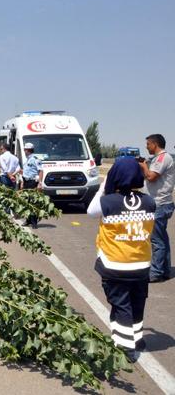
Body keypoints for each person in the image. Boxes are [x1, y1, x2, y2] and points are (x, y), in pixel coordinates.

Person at [87, 159, 155, 361]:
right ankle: (137, 338)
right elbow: (146, 197)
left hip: (115, 264)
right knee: (137, 302)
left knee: (121, 305)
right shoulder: (149, 202)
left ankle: (126, 347)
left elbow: (90, 212)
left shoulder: (108, 202)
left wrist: (103, 187)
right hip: (141, 265)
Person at [138, 134, 175, 282]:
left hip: (160, 204)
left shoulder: (162, 158)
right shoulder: (157, 159)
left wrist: (144, 166)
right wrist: (144, 166)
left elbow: (152, 176)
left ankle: (156, 272)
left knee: (156, 241)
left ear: (155, 144)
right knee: (162, 239)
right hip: (159, 203)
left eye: (148, 144)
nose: (146, 147)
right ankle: (165, 270)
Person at [21, 142, 43, 228]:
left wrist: (40, 183)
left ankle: (34, 222)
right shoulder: (27, 160)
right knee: (27, 202)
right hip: (26, 182)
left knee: (33, 203)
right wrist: (22, 182)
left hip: (32, 182)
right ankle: (28, 220)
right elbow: (26, 172)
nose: (24, 151)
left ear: (28, 150)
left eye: (25, 150)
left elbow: (40, 171)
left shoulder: (35, 159)